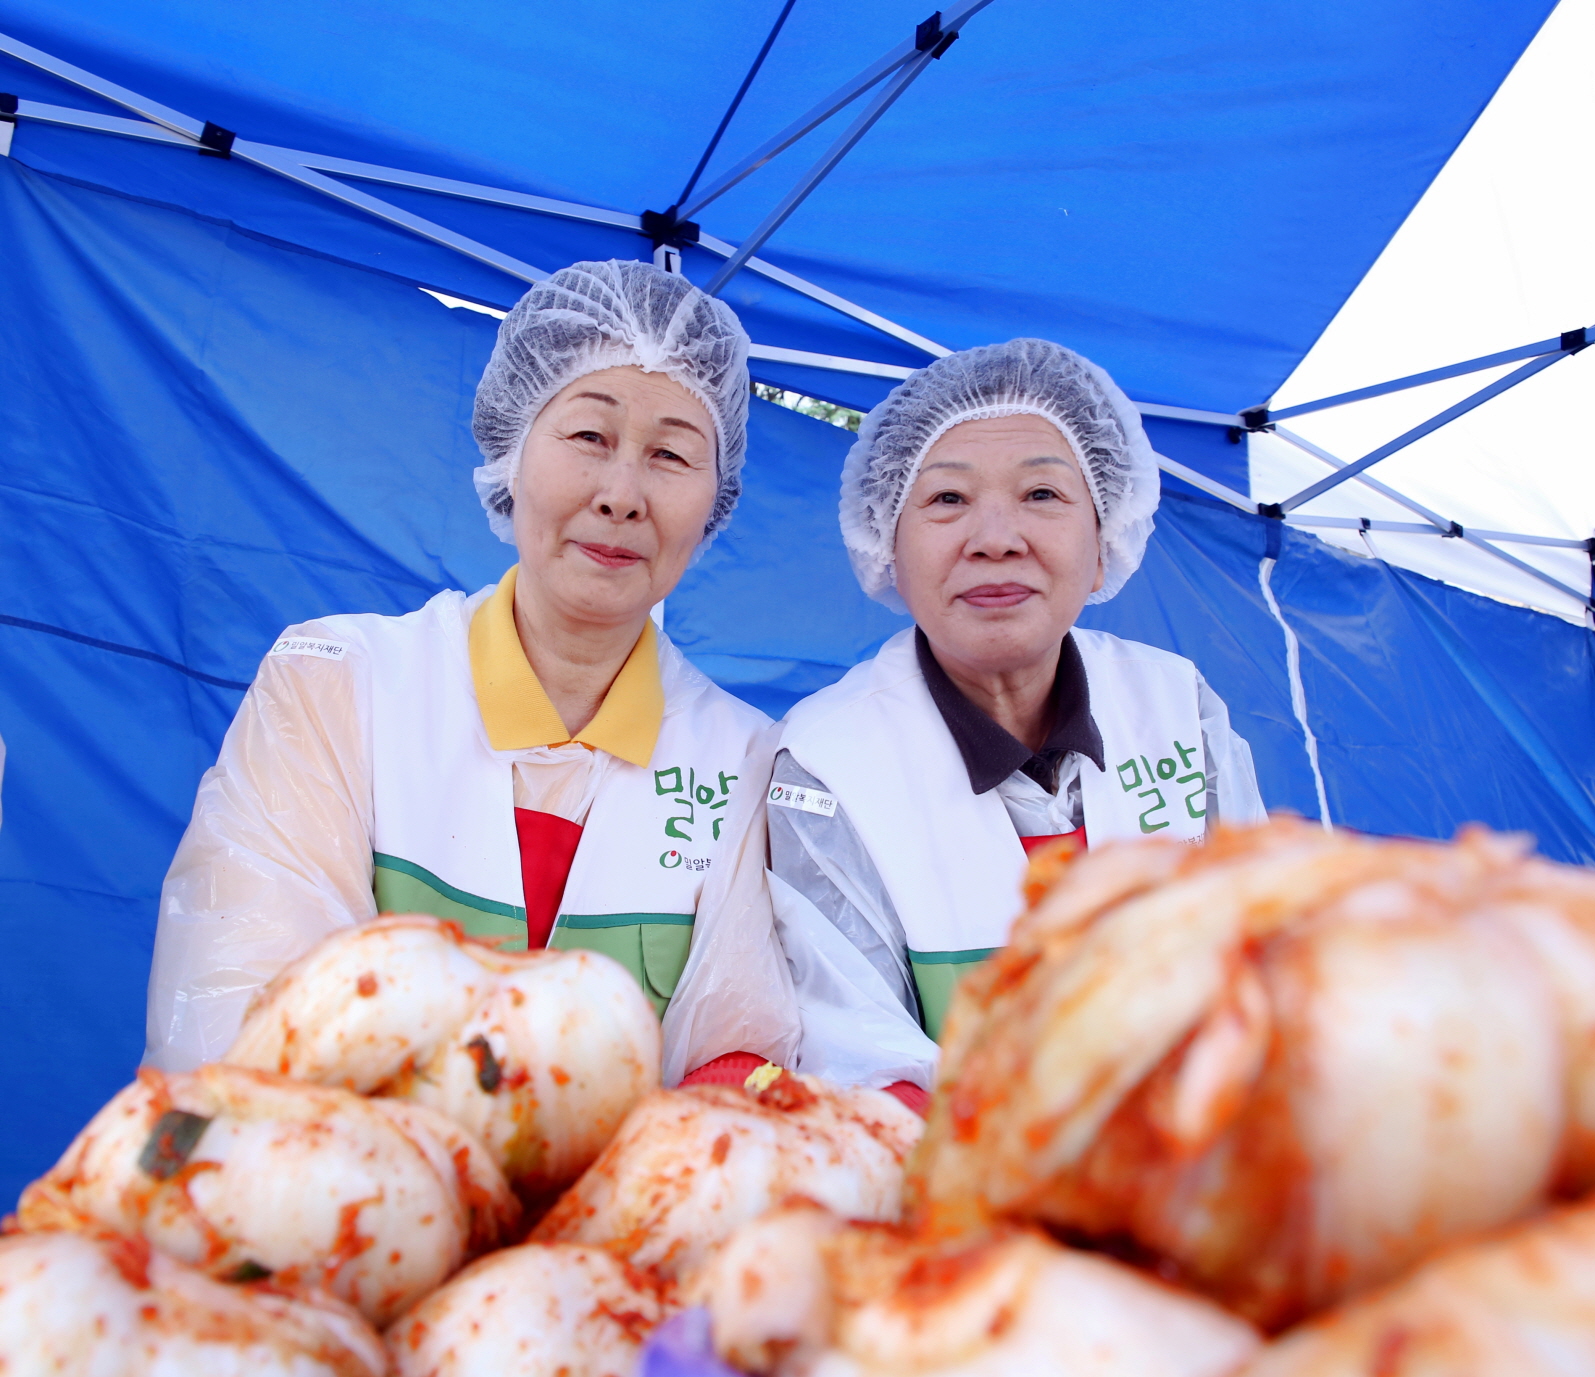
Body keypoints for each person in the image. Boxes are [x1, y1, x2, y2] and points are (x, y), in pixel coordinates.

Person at [146, 260, 799, 1081]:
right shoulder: (337, 685)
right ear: (511, 449)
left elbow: (741, 1060)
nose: (623, 493)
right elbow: (243, 1012)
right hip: (341, 1192)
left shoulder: (745, 762)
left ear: (716, 498)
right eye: (589, 436)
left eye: (671, 454)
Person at [768, 338, 1266, 1095]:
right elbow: (861, 1067)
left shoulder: (1175, 707)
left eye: (1041, 495)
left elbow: (1270, 962)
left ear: (1104, 544)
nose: (996, 538)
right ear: (886, 551)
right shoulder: (826, 762)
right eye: (946, 499)